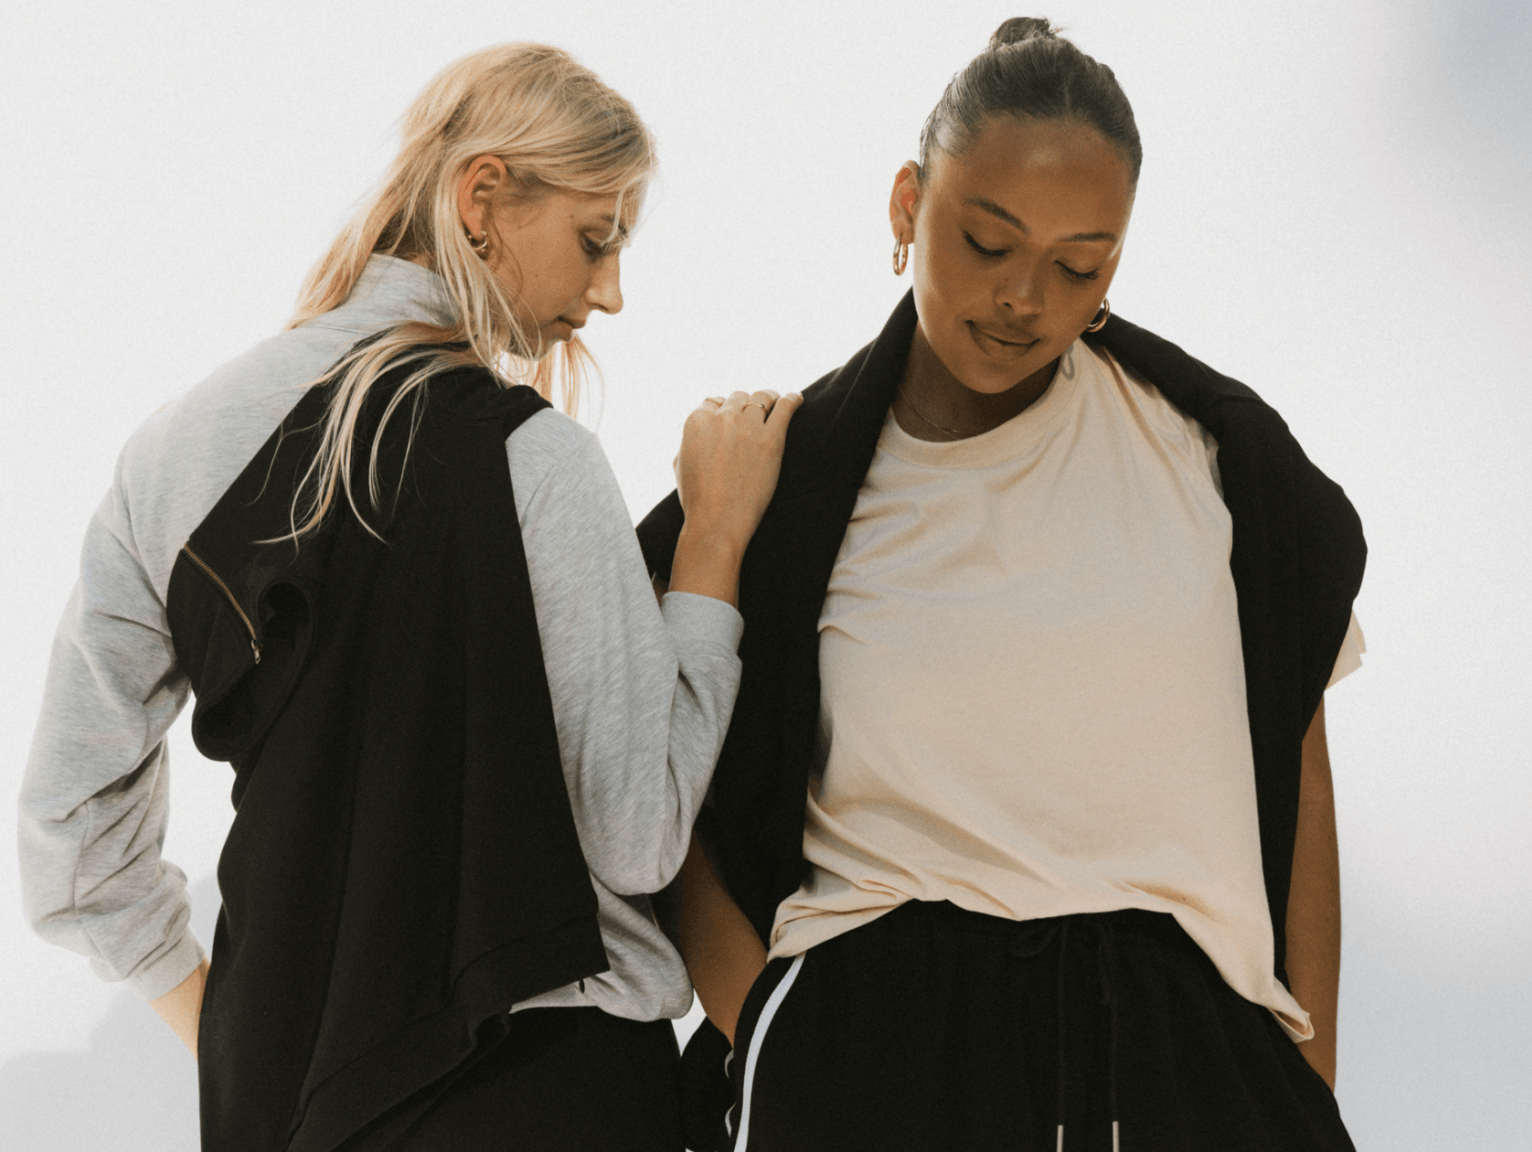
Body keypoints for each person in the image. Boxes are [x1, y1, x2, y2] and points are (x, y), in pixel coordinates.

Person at [19, 42, 799, 1152]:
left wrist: (251, 1044)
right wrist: (713, 546)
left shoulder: (173, 454)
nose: (609, 292)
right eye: (596, 239)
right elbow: (638, 837)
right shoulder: (534, 458)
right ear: (482, 197)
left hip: (289, 1116)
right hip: (547, 1090)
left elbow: (71, 840)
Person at [639, 17, 1364, 1152]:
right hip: (879, 1051)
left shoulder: (1214, 461)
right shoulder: (782, 487)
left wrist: (1303, 1077)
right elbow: (652, 778)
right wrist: (766, 1023)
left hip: (1188, 1061)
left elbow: (1299, 759)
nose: (1024, 296)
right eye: (985, 242)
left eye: (1078, 264)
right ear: (903, 207)